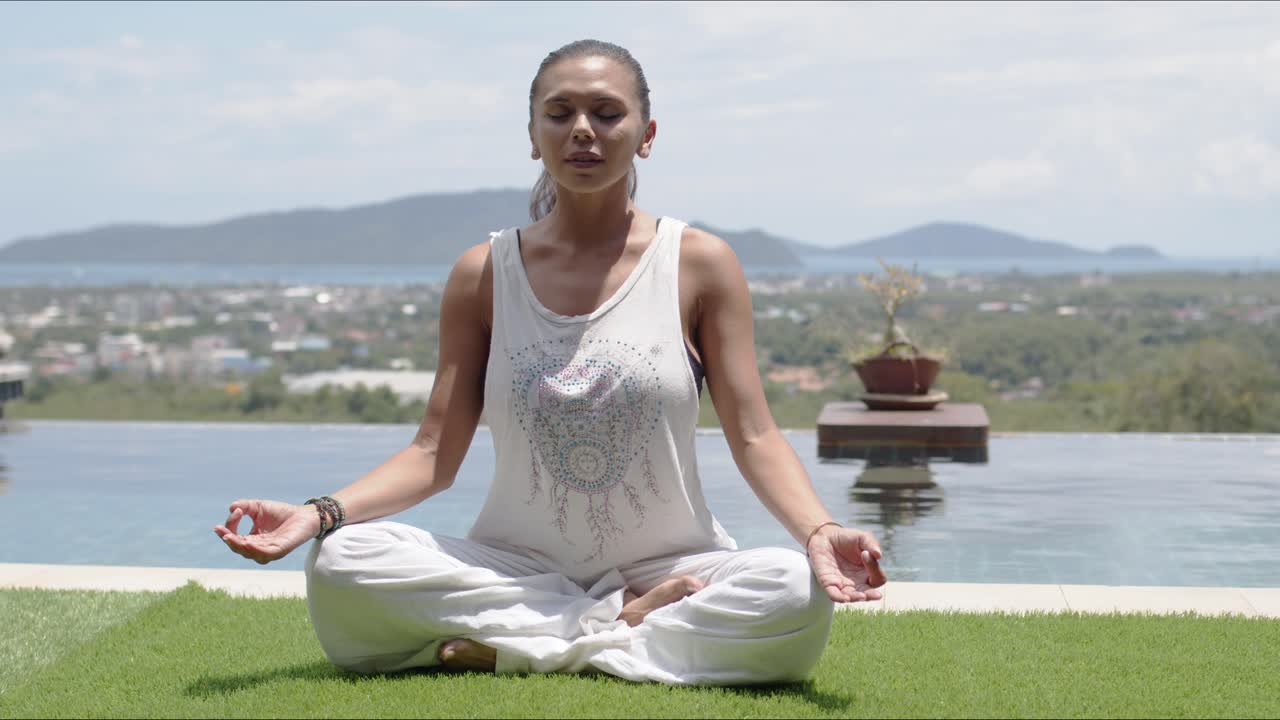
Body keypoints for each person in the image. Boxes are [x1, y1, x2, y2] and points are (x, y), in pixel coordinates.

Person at [214, 38, 886, 686]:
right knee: (342, 562)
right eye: (559, 114)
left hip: (671, 564)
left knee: (794, 589)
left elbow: (755, 434)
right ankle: (621, 633)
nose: (583, 131)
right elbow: (431, 454)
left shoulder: (699, 263)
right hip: (512, 568)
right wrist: (318, 514)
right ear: (533, 137)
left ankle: (521, 646)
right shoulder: (483, 273)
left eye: (607, 113)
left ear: (647, 134)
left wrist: (819, 531)